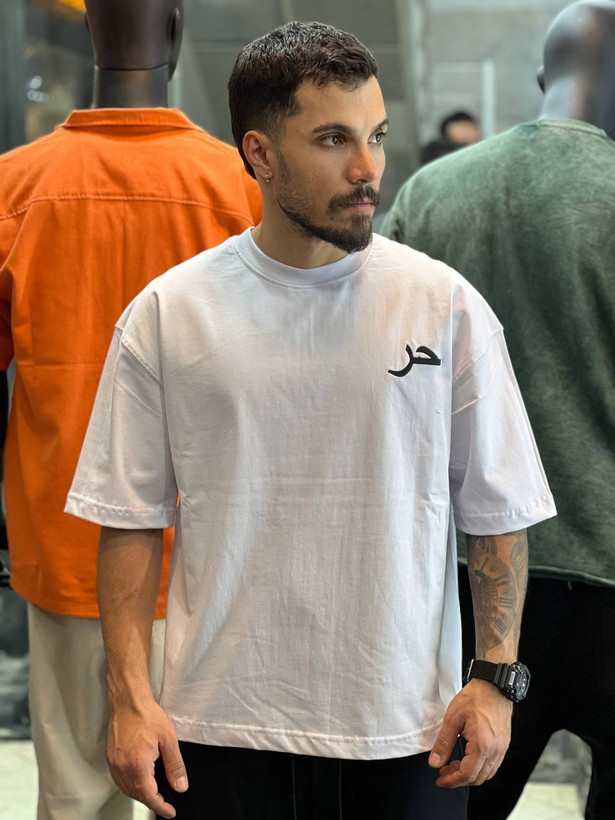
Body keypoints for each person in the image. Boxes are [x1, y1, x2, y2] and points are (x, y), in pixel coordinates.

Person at [66, 21, 556, 820]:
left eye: (376, 136)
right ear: (259, 153)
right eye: (333, 139)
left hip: (406, 728)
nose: (367, 168)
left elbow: (497, 511)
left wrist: (495, 679)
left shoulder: (444, 306)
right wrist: (128, 699)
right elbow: (126, 517)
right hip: (218, 725)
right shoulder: (170, 313)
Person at [0, 0, 261, 817]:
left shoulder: (14, 186)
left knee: (78, 794)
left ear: (87, 34)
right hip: (222, 560)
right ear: (175, 33)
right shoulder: (239, 185)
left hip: (66, 546)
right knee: (216, 795)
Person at [381, 2, 615, 817]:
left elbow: (381, 379)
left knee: (455, 804)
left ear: (543, 75)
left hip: (468, 586)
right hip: (609, 575)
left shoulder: (430, 192)